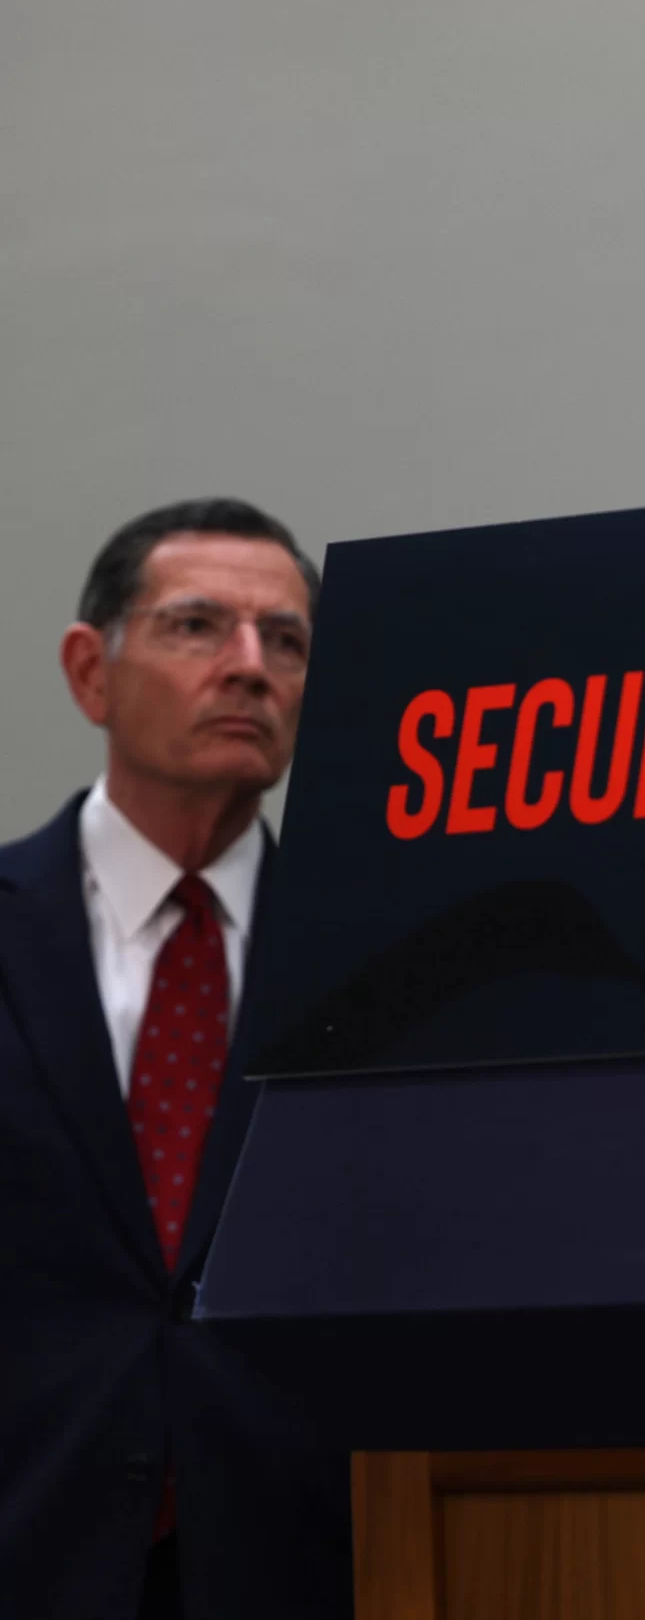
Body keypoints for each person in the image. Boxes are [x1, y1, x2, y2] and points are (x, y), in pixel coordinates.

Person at [0, 500, 350, 1618]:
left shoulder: (372, 957)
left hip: (298, 1557)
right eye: (199, 626)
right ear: (90, 671)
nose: (249, 667)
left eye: (284, 640)